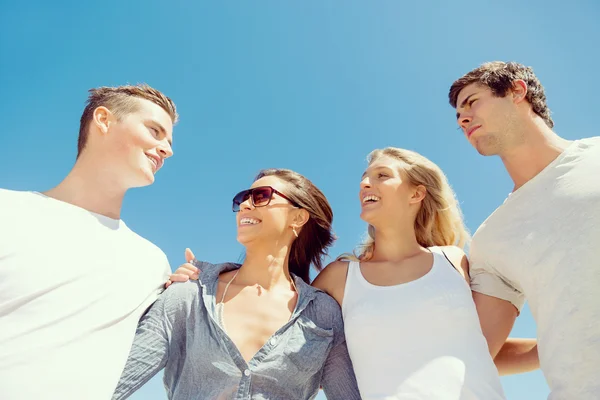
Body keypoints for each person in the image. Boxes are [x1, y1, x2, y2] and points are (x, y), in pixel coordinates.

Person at [113, 169, 360, 400]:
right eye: (242, 198)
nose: (244, 205)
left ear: (298, 217)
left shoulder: (322, 315)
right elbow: (109, 384)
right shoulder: (188, 296)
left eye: (260, 196)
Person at [0, 84, 178, 400]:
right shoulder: (7, 210)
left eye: (168, 140)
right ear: (104, 120)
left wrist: (183, 289)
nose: (166, 149)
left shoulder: (153, 265)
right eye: (154, 131)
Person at [449, 61, 600, 399]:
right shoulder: (491, 238)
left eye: (472, 101)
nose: (462, 118)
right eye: (458, 114)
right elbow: (475, 352)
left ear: (518, 90)